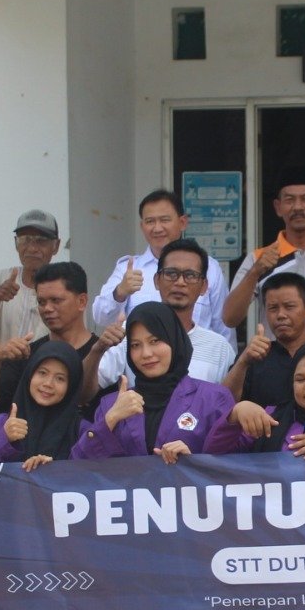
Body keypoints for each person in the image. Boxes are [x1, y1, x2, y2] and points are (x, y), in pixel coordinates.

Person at [72, 302, 235, 463]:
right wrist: (111, 419)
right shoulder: (111, 404)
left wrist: (194, 462)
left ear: (174, 340)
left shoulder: (213, 398)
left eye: (155, 341)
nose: (146, 353)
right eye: (135, 345)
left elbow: (233, 466)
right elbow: (78, 465)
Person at [222, 166, 305, 350]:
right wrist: (255, 272)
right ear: (278, 207)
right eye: (289, 200)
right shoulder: (258, 259)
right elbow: (230, 318)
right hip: (273, 364)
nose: (298, 207)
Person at [89, 239, 237, 390]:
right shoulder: (130, 333)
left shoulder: (219, 348)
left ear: (204, 286)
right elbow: (86, 389)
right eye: (171, 274)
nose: (180, 282)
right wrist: (97, 350)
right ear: (156, 281)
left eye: (190, 275)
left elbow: (230, 400)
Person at [92, 189, 232, 343]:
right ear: (142, 226)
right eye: (150, 221)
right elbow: (100, 317)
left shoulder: (210, 269)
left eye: (164, 220)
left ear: (183, 222)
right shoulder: (129, 268)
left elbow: (224, 327)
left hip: (197, 357)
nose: (157, 228)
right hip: (143, 356)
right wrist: (120, 292)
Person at [0, 260, 98, 418]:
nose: (47, 309)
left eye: (56, 300)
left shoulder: (105, 353)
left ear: (82, 302)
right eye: (41, 302)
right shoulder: (25, 354)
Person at [0, 341, 85, 470]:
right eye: (42, 373)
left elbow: (92, 474)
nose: (48, 384)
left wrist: (51, 470)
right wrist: (2, 438)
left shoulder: (82, 432)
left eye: (60, 378)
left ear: (71, 386)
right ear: (29, 374)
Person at [222, 272, 305, 407]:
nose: (281, 315)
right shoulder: (253, 359)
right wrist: (243, 362)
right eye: (273, 308)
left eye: (289, 306)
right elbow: (223, 404)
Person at [0, 209, 61, 345]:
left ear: (56, 246)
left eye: (41, 241)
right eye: (25, 240)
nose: (32, 248)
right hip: (1, 359)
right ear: (16, 243)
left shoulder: (65, 288)